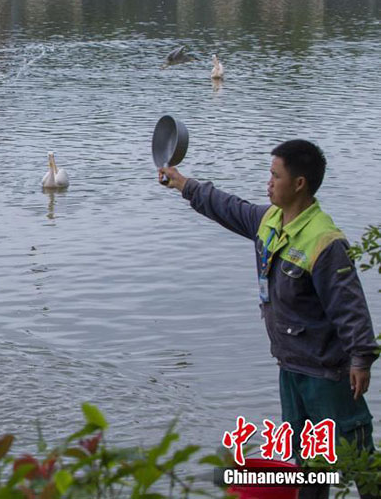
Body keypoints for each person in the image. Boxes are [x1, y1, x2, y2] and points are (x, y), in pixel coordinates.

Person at [159, 140, 378, 498]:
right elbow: (227, 207)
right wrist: (183, 184)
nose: (269, 182)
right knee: (307, 464)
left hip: (327, 374)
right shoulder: (270, 221)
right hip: (290, 366)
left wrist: (360, 358)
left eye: (275, 175)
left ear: (299, 184)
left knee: (356, 455)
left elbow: (349, 306)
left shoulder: (324, 241)